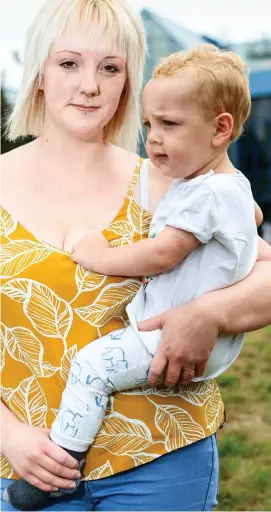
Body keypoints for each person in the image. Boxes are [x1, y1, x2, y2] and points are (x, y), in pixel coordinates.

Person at [1, 0, 271, 510]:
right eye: (68, 64)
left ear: (128, 81)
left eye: (110, 68)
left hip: (162, 456)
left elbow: (264, 270)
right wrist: (7, 435)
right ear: (38, 73)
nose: (89, 85)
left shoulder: (172, 182)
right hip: (25, 466)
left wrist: (207, 314)